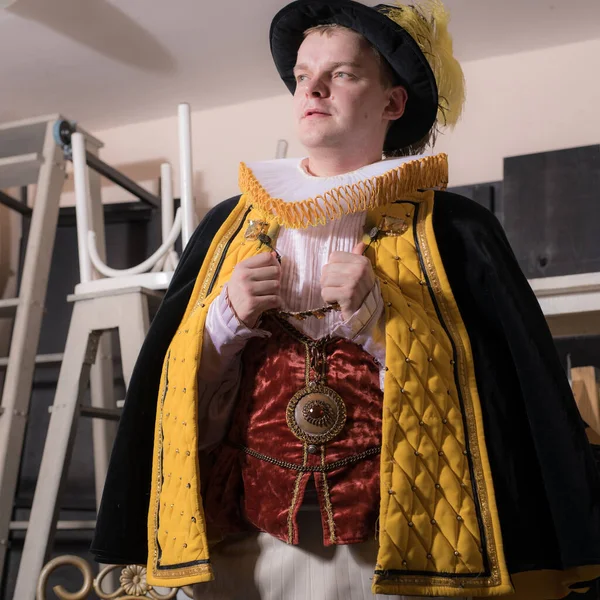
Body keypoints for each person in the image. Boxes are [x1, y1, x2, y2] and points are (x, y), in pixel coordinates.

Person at [91, 1, 600, 598]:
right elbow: (171, 393)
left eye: (343, 73)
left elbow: (493, 397)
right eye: (303, 75)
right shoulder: (226, 228)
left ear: (392, 103)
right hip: (247, 541)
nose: (314, 87)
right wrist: (223, 321)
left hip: (394, 543)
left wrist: (381, 325)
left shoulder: (457, 231)